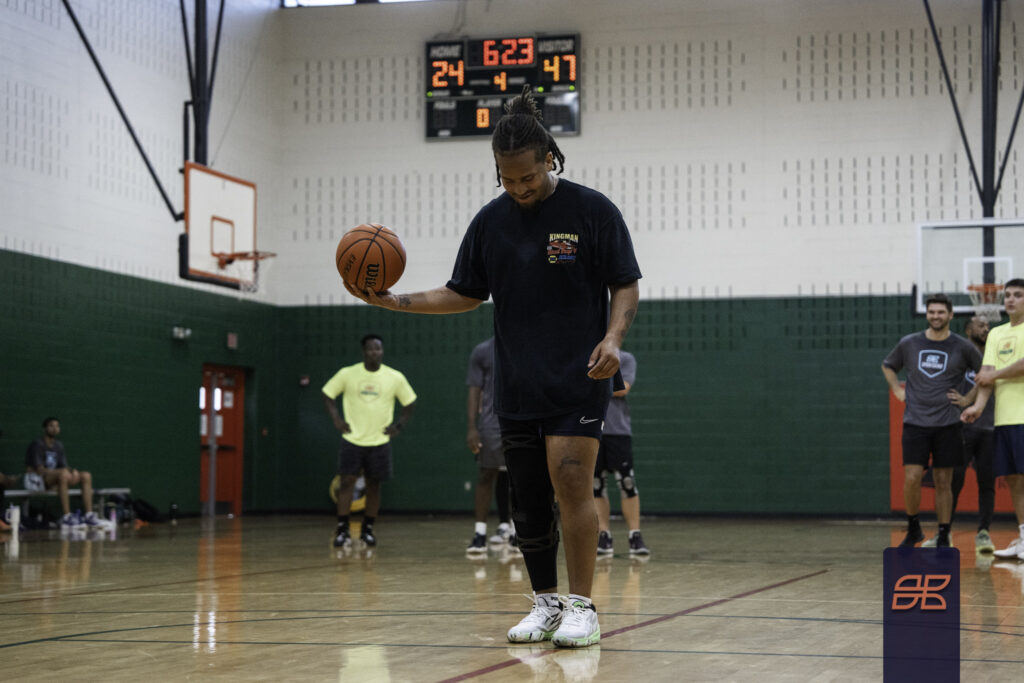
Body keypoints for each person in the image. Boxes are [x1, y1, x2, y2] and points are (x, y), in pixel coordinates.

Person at [345, 86, 641, 648]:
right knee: (526, 498)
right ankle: (546, 604)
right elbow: (463, 292)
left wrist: (613, 337)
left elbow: (625, 282)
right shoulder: (490, 223)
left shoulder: (592, 211)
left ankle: (582, 607)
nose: (519, 187)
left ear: (550, 158)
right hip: (517, 382)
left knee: (572, 483)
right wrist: (395, 301)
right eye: (507, 179)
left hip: (580, 377)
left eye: (528, 176)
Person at [882, 294, 982, 548]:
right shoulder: (909, 343)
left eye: (940, 312)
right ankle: (913, 528)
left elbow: (985, 374)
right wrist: (897, 390)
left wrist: (968, 398)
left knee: (943, 482)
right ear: (926, 314)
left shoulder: (962, 346)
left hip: (948, 423)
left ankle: (944, 533)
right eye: (931, 312)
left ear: (950, 315)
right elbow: (888, 366)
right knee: (912, 477)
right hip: (915, 422)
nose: (935, 316)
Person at [322, 334, 417, 549]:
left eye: (378, 349)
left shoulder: (394, 377)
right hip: (352, 439)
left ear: (382, 351)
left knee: (374, 486)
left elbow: (409, 402)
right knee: (346, 483)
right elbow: (327, 394)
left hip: (379, 441)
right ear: (364, 351)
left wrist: (399, 426)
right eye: (371, 349)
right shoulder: (348, 374)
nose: (375, 352)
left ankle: (368, 529)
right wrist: (336, 419)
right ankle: (343, 529)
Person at [963, 279, 1024, 560]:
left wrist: (995, 375)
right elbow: (986, 375)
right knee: (1014, 480)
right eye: (1008, 295)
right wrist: (977, 407)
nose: (1010, 299)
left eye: (1018, 295)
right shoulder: (997, 334)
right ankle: (1023, 537)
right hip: (1004, 419)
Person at [940, 316, 997, 552]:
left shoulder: (994, 357)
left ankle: (984, 533)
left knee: (987, 482)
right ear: (967, 330)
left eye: (988, 326)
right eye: (981, 325)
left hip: (989, 428)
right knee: (955, 480)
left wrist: (968, 399)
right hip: (961, 428)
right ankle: (945, 532)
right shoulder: (957, 357)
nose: (986, 329)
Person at [594, 349, 650, 557]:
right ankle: (603, 535)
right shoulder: (587, 357)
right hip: (593, 429)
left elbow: (622, 389)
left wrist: (591, 383)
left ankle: (635, 535)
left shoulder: (624, 358)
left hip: (618, 431)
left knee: (627, 482)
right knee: (597, 485)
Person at [465, 336, 515, 554]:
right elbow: (474, 389)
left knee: (519, 479)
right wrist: (471, 427)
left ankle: (516, 532)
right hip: (491, 424)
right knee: (486, 475)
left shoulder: (527, 344)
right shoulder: (483, 350)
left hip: (522, 422)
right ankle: (480, 534)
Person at [24, 417, 102, 529]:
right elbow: (40, 470)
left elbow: (64, 467)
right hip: (36, 480)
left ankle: (89, 515)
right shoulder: (38, 444)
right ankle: (67, 517)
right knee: (63, 475)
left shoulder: (58, 445)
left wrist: (73, 471)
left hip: (56, 479)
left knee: (86, 475)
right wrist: (63, 472)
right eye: (51, 426)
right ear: (44, 428)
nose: (55, 428)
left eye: (57, 426)